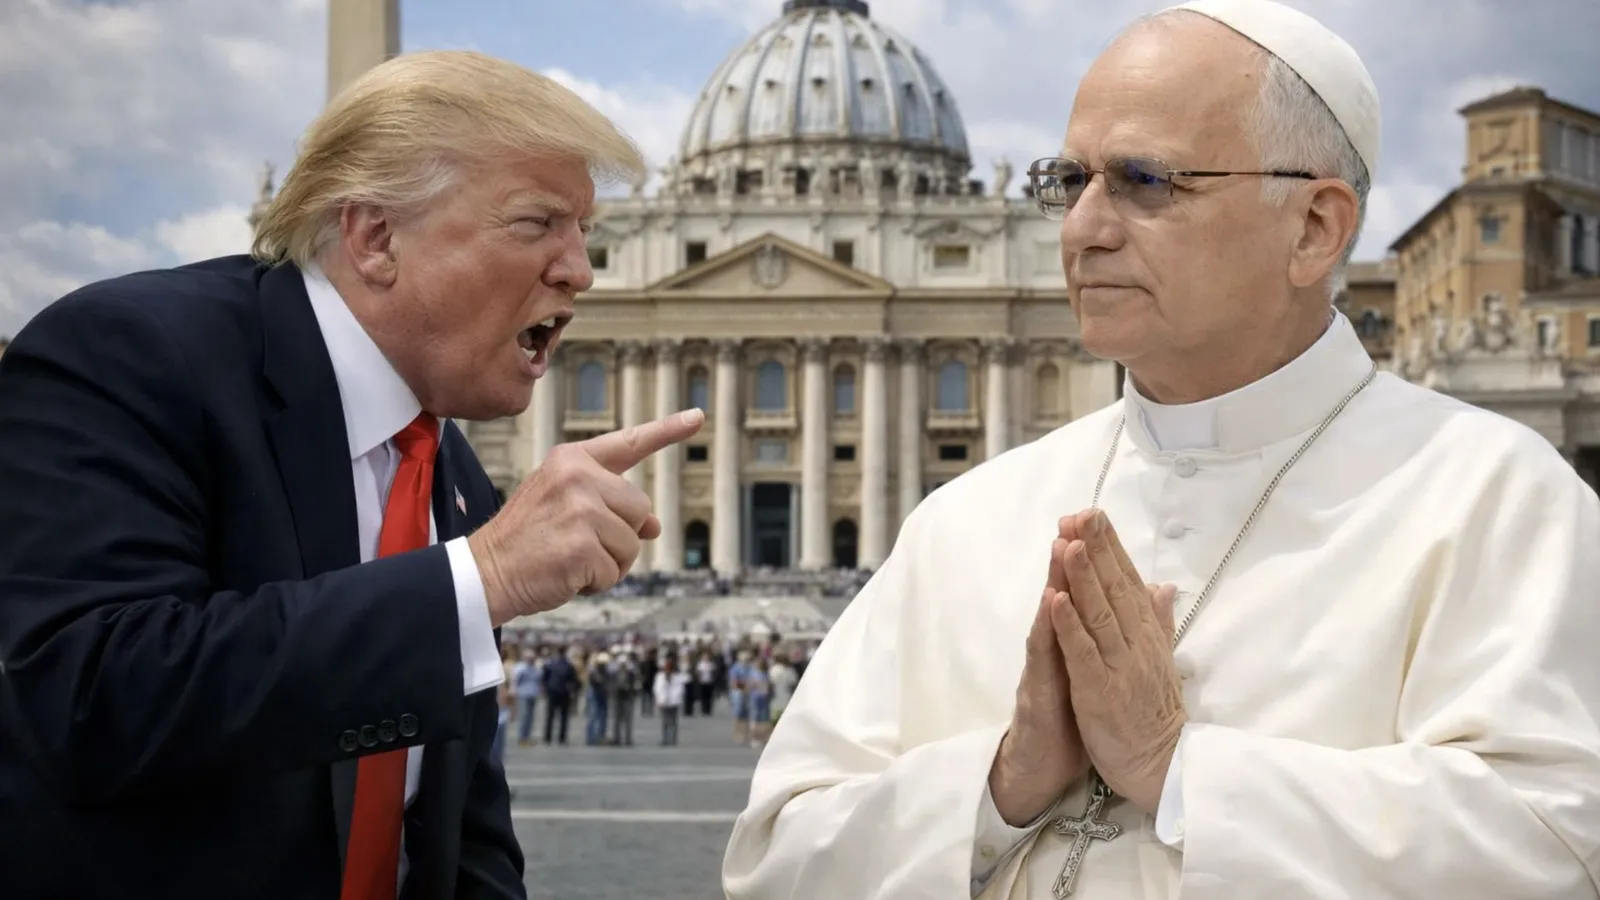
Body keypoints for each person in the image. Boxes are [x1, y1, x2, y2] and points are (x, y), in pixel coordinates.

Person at [721, 2, 1600, 899]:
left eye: (1144, 181)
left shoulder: (1497, 499)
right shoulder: (963, 520)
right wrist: (1000, 784)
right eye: (1070, 181)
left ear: (1314, 228)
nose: (1081, 229)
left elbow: (1558, 847)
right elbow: (775, 858)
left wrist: (1176, 766)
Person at [0, 49, 704, 899]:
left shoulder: (449, 468)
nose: (581, 270)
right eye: (537, 223)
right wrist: (481, 578)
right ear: (376, 238)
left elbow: (456, 833)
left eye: (584, 230)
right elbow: (90, 703)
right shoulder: (129, 355)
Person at [653, 657, 690, 747]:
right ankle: (665, 739)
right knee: (665, 722)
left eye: (669, 669)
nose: (668, 671)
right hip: (663, 702)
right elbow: (657, 689)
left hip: (674, 702)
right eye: (666, 669)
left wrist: (676, 697)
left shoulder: (677, 677)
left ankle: (673, 739)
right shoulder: (660, 677)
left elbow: (682, 687)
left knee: (673, 721)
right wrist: (660, 699)